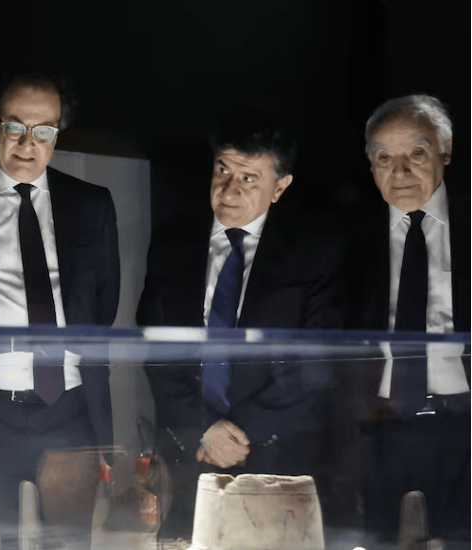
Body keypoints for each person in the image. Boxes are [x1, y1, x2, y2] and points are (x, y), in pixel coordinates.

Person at [135, 120, 341, 539]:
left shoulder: (313, 249)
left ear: (279, 187)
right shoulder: (174, 239)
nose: (230, 190)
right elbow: (154, 348)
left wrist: (235, 436)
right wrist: (205, 428)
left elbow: (315, 364)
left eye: (249, 178)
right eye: (223, 170)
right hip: (189, 453)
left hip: (277, 458)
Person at [0, 72, 120, 548]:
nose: (29, 143)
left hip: (69, 409)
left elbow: (102, 309)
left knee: (70, 542)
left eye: (44, 130)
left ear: (57, 134)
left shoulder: (92, 205)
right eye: (15, 126)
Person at [345, 94, 470, 544]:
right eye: (384, 158)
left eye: (416, 153)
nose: (399, 172)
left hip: (466, 422)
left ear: (445, 151)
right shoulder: (350, 238)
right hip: (383, 429)